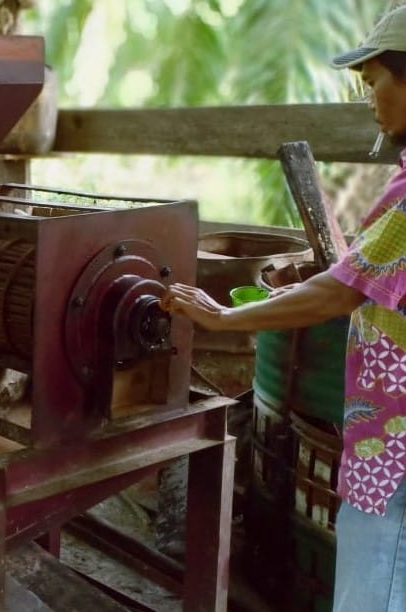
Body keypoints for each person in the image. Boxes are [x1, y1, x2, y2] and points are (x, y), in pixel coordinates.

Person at [161, 6, 406, 610]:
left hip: (396, 448)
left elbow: (339, 290)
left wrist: (224, 317)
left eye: (373, 81)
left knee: (375, 585)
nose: (367, 99)